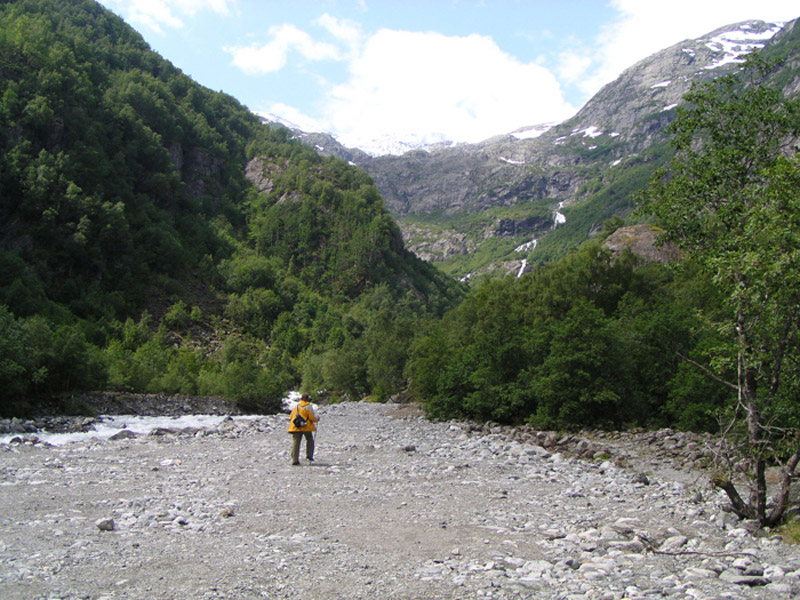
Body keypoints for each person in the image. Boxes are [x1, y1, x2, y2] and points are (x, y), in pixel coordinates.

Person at [288, 393, 319, 466]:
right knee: (310, 440)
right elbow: (313, 418)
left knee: (296, 442)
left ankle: (295, 460)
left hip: (296, 427)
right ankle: (309, 456)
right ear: (308, 399)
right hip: (306, 427)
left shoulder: (296, 407)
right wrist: (317, 418)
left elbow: (291, 417)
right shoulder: (308, 406)